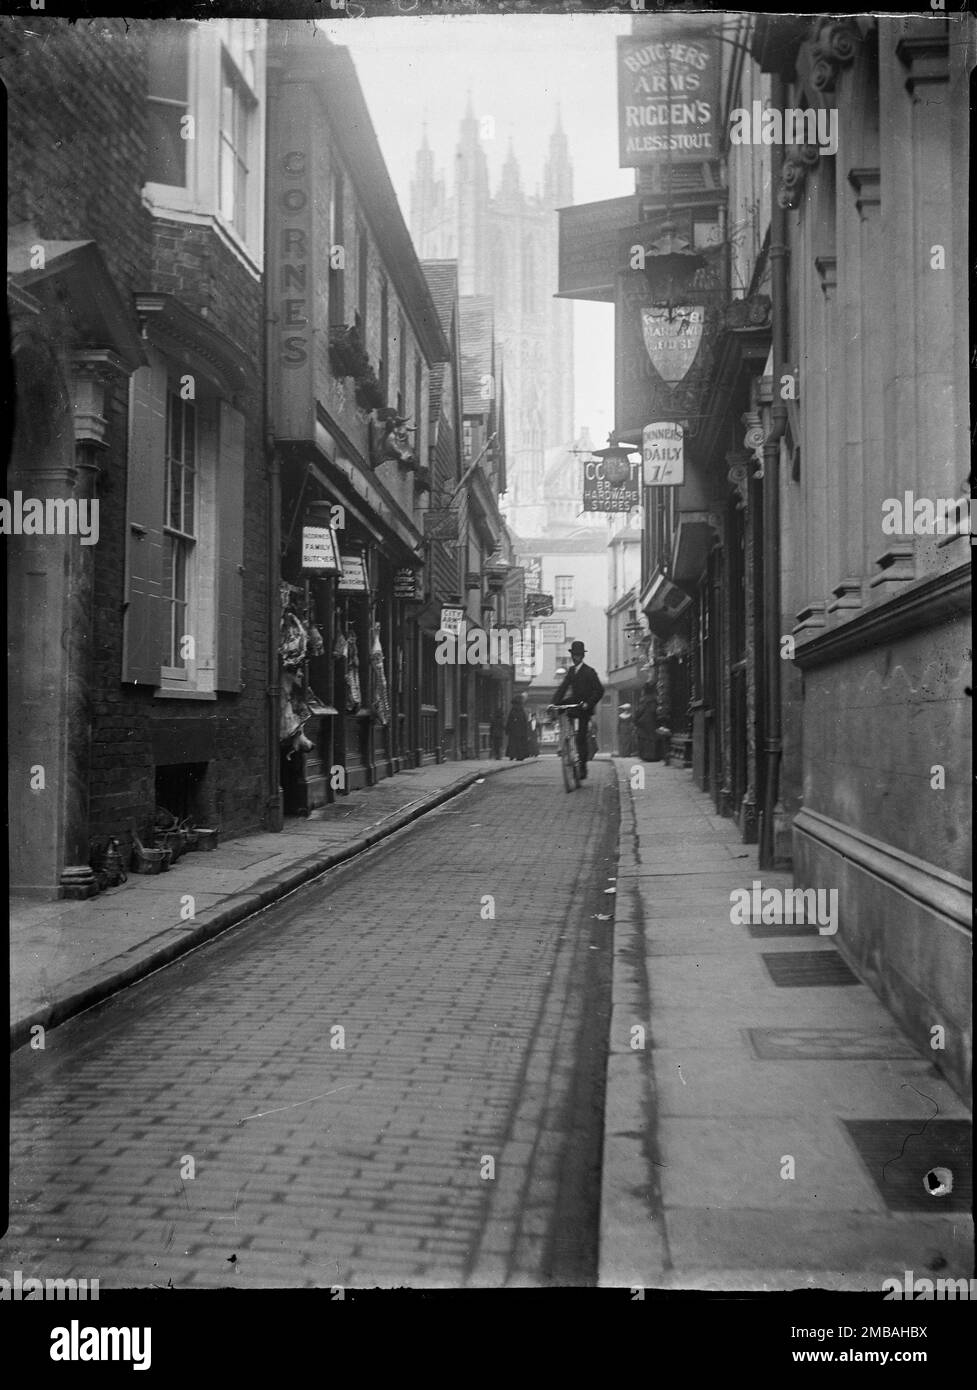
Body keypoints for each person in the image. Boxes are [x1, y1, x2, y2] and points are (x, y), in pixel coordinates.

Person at [550, 641, 605, 780]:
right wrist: (554, 703)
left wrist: (589, 703)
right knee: (561, 706)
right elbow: (563, 687)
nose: (576, 658)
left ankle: (582, 767)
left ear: (582, 656)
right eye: (574, 655)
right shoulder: (571, 671)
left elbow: (599, 690)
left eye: (578, 655)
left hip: (585, 707)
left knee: (581, 737)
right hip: (574, 702)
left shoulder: (589, 671)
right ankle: (567, 738)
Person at [634, 680, 659, 761]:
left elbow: (639, 711)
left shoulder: (644, 699)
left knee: (645, 740)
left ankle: (647, 756)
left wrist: (636, 719)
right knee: (652, 739)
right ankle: (653, 756)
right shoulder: (655, 699)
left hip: (644, 722)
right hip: (653, 721)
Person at [505, 692, 531, 761]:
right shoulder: (522, 710)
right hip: (521, 731)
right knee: (520, 743)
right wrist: (526, 731)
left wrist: (507, 729)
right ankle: (520, 756)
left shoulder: (512, 710)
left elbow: (509, 721)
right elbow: (524, 722)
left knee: (513, 743)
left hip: (513, 731)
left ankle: (512, 755)